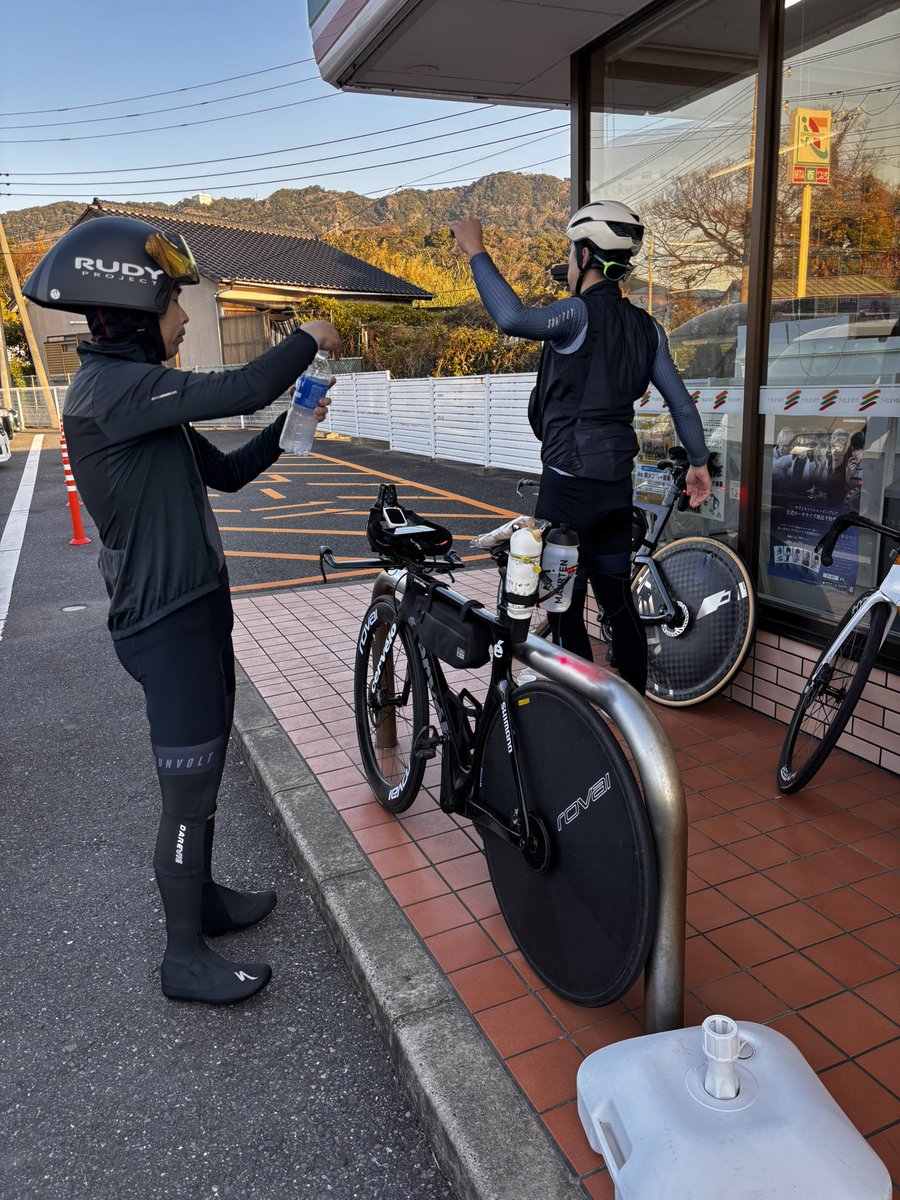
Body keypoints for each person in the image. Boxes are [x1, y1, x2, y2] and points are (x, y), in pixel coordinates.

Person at [24, 215, 342, 1006]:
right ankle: (182, 955)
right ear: (136, 310)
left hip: (193, 610)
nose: (187, 317)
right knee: (188, 788)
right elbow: (241, 383)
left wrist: (290, 428)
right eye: (175, 302)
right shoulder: (114, 391)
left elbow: (228, 473)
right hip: (165, 623)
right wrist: (305, 335)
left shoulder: (139, 398)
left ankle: (202, 901)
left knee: (205, 770)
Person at [450, 203, 711, 693]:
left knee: (562, 605)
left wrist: (476, 251)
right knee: (617, 602)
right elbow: (681, 404)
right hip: (616, 490)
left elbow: (512, 318)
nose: (568, 265)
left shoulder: (576, 314)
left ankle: (577, 710)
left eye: (571, 255)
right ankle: (636, 715)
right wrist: (698, 462)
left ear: (585, 254)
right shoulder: (647, 328)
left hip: (566, 491)